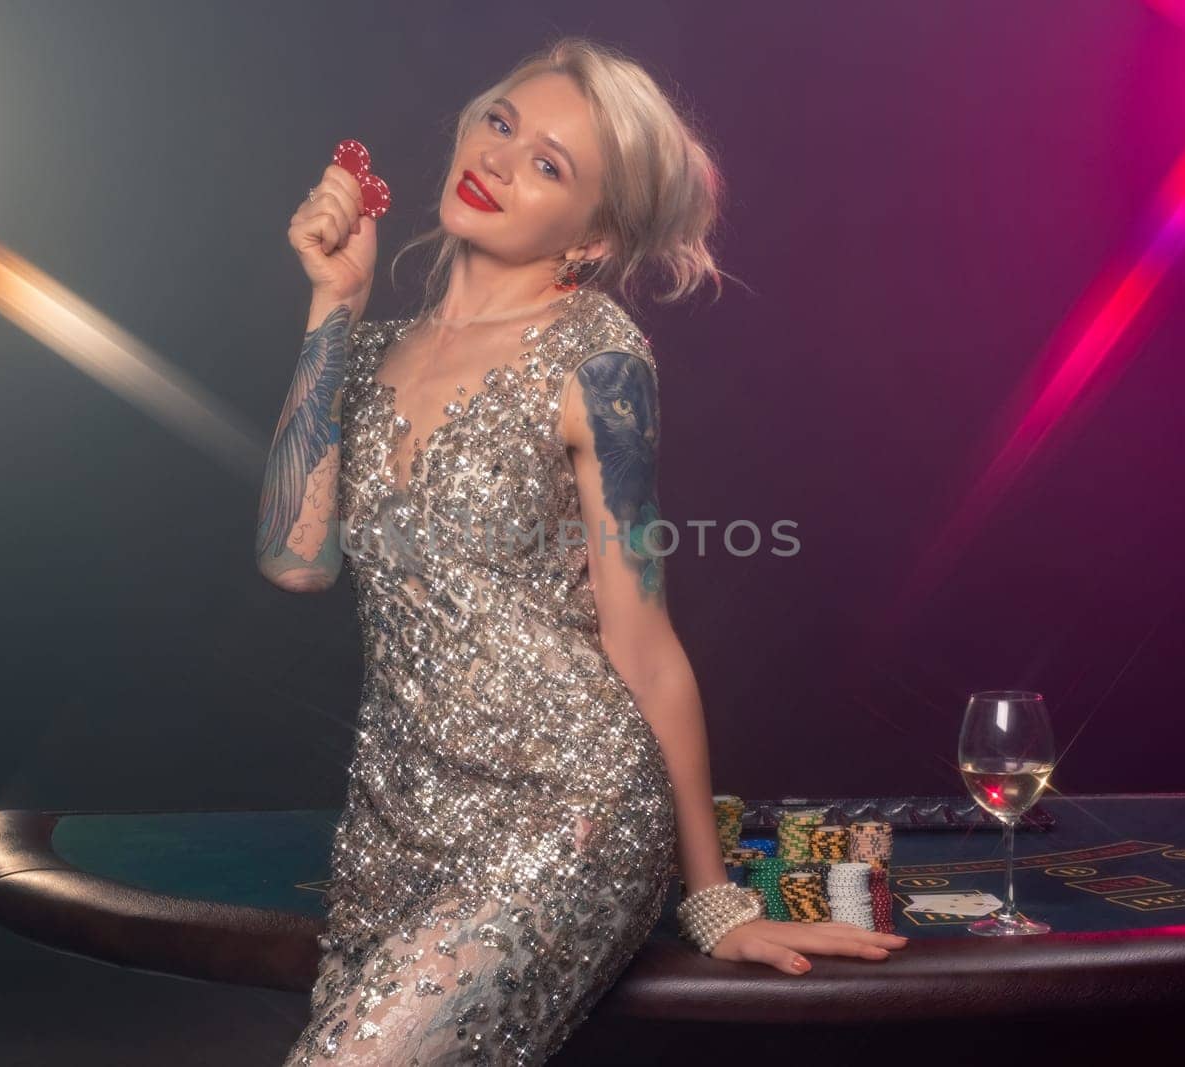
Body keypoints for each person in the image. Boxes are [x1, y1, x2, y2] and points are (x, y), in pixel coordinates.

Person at [257, 35, 908, 1065]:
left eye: (550, 164)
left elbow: (641, 633)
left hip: (570, 807)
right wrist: (332, 302)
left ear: (594, 235)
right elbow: (295, 560)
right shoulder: (371, 350)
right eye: (502, 123)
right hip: (393, 819)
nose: (503, 160)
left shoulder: (598, 357)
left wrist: (712, 900)